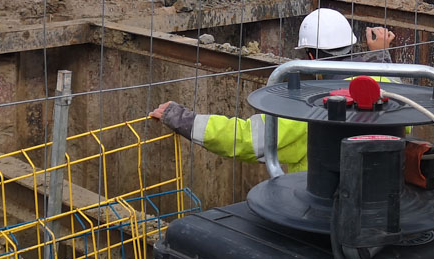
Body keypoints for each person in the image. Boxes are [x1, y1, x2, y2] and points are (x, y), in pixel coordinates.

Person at [148, 9, 396, 172]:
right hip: (387, 204)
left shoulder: (311, 109)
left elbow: (248, 139)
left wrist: (181, 118)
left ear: (310, 55)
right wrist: (381, 54)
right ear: (352, 46)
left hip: (324, 212)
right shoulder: (391, 86)